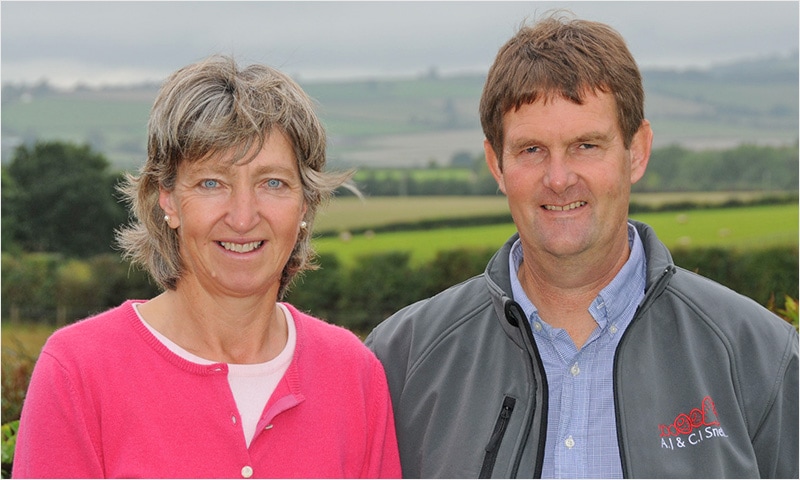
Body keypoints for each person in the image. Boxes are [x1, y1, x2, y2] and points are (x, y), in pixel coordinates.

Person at [366, 13, 798, 479]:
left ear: (637, 151)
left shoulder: (761, 357)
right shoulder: (402, 359)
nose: (558, 179)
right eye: (532, 150)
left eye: (586, 145)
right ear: (496, 164)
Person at [14, 55, 401, 479]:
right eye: (211, 183)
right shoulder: (78, 371)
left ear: (305, 203)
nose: (243, 217)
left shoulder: (353, 374)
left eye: (272, 182)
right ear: (167, 199)